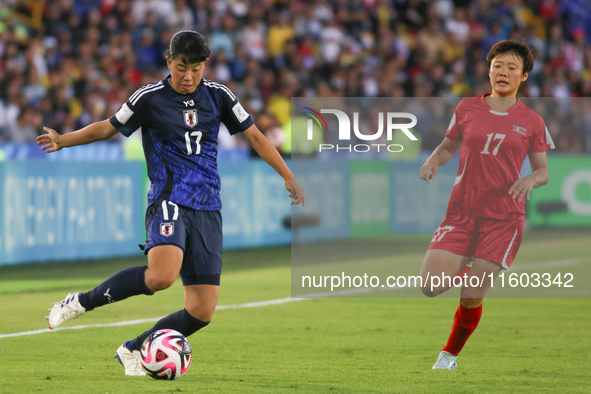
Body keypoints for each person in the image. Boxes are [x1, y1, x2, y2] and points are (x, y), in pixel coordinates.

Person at [37, 31, 305, 376]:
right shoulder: (149, 97)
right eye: (181, 68)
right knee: (161, 276)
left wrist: (287, 174)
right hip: (170, 200)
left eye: (196, 68)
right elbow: (108, 128)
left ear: (205, 64)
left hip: (208, 207)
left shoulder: (219, 95)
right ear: (169, 62)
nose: (188, 76)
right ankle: (79, 303)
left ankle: (134, 347)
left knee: (201, 311)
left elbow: (254, 135)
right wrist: (64, 140)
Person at [418, 39, 554, 369]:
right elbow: (449, 146)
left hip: (503, 218)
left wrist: (529, 180)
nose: (502, 72)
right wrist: (435, 158)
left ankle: (448, 355)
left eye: (511, 67)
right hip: (461, 211)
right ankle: (470, 266)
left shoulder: (532, 120)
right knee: (430, 287)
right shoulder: (466, 108)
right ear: (488, 70)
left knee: (471, 296)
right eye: (497, 66)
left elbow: (543, 171)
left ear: (523, 76)